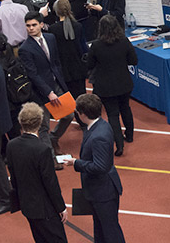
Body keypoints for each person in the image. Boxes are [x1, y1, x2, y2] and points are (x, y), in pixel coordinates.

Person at [6, 103, 68, 243]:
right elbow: (50, 182)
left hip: (27, 205)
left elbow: (14, 177)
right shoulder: (43, 149)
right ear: (39, 122)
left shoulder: (12, 145)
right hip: (45, 209)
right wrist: (61, 207)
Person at [72, 93, 126, 242]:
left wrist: (76, 163)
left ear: (82, 114)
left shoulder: (98, 135)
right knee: (101, 229)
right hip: (99, 190)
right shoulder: (100, 125)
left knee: (110, 231)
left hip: (103, 193)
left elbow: (100, 166)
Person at [19, 11, 72, 158]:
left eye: (34, 25)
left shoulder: (50, 38)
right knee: (44, 126)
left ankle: (54, 138)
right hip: (40, 92)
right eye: (28, 26)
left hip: (56, 84)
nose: (31, 28)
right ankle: (51, 158)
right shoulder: (25, 49)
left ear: (41, 25)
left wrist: (59, 81)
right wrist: (48, 92)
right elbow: (33, 74)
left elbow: (55, 62)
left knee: (69, 115)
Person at [86, 15, 137, 157]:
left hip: (105, 86)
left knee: (112, 115)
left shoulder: (96, 45)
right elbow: (134, 60)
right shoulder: (124, 41)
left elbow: (89, 65)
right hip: (124, 83)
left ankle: (119, 145)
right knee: (125, 107)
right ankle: (130, 135)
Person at [49, 0, 87, 116]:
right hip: (79, 67)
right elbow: (83, 48)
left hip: (64, 69)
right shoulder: (78, 26)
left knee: (69, 96)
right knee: (82, 95)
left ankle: (75, 116)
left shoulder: (53, 29)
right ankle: (84, 118)